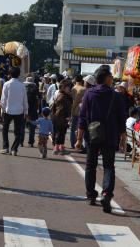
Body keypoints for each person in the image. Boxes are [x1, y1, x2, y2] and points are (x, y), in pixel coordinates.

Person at [76, 65, 126, 213]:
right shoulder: (116, 96)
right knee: (109, 166)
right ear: (107, 78)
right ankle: (106, 194)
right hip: (111, 135)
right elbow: (121, 119)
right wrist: (123, 138)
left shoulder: (89, 94)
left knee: (90, 165)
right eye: (111, 77)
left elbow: (82, 118)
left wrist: (79, 139)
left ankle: (91, 195)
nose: (112, 79)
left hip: (92, 135)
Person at [0, 66, 28, 156]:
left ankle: (5, 147)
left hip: (7, 110)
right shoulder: (22, 85)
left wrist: (2, 110)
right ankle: (14, 149)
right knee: (18, 131)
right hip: (19, 111)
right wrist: (26, 112)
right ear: (19, 74)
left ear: (10, 74)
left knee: (5, 129)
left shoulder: (6, 84)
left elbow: (3, 99)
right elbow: (25, 100)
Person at [50, 79, 73, 154]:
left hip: (59, 118)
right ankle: (57, 148)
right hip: (61, 118)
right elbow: (63, 109)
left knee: (61, 133)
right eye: (69, 88)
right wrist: (68, 117)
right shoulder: (63, 97)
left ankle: (60, 147)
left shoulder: (62, 95)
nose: (70, 89)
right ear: (63, 88)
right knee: (60, 133)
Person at [70, 75, 86, 148]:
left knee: (73, 129)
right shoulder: (83, 89)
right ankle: (79, 143)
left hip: (73, 110)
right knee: (80, 129)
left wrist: (71, 111)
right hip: (81, 110)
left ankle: (72, 143)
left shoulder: (72, 88)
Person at [24, 75, 39, 147]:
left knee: (22, 126)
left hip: (24, 109)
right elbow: (38, 100)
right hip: (33, 110)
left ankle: (20, 141)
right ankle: (31, 142)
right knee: (32, 127)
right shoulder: (36, 88)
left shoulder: (23, 88)